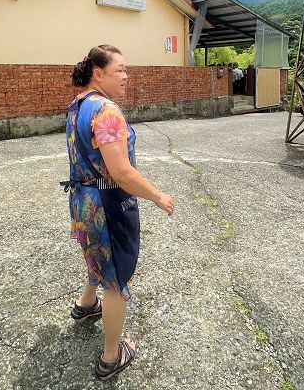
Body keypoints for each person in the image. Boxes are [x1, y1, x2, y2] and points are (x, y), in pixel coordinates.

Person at [64, 44, 175, 380]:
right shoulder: (107, 111)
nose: (127, 76)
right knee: (116, 278)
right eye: (120, 70)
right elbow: (122, 172)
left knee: (98, 256)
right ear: (98, 73)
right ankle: (111, 356)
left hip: (83, 201)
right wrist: (158, 196)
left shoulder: (78, 105)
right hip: (109, 205)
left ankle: (85, 306)